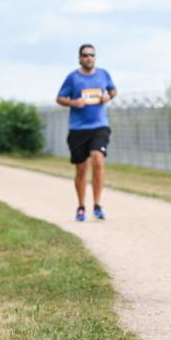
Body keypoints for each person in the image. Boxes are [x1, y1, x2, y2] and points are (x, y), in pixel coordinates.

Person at [56, 44, 117, 221]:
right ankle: (81, 206)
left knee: (98, 158)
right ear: (79, 58)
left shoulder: (103, 74)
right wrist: (74, 103)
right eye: (85, 55)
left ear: (95, 57)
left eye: (92, 55)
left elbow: (113, 90)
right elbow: (59, 98)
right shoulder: (72, 78)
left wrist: (108, 96)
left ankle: (97, 205)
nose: (89, 58)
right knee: (81, 168)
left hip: (99, 125)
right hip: (78, 128)